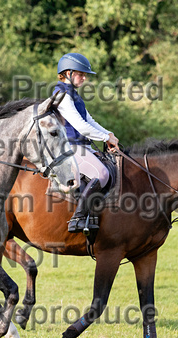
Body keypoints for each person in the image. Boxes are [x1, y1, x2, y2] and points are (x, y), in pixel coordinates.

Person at [54, 53, 120, 233]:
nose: (84, 78)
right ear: (67, 73)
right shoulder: (62, 95)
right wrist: (106, 138)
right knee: (102, 174)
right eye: (80, 74)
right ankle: (79, 218)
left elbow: (89, 120)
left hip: (82, 147)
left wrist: (108, 133)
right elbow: (81, 127)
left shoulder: (74, 96)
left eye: (85, 75)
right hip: (69, 147)